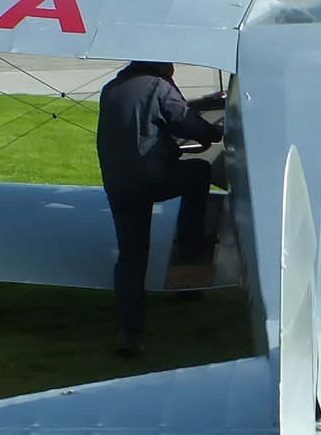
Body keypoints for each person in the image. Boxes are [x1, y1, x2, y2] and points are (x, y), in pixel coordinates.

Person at [96, 61, 226, 356]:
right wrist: (214, 134)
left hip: (117, 184)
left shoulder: (111, 89)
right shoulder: (157, 85)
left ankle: (128, 329)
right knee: (199, 173)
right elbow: (186, 123)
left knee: (131, 255)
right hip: (152, 177)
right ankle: (188, 268)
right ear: (162, 66)